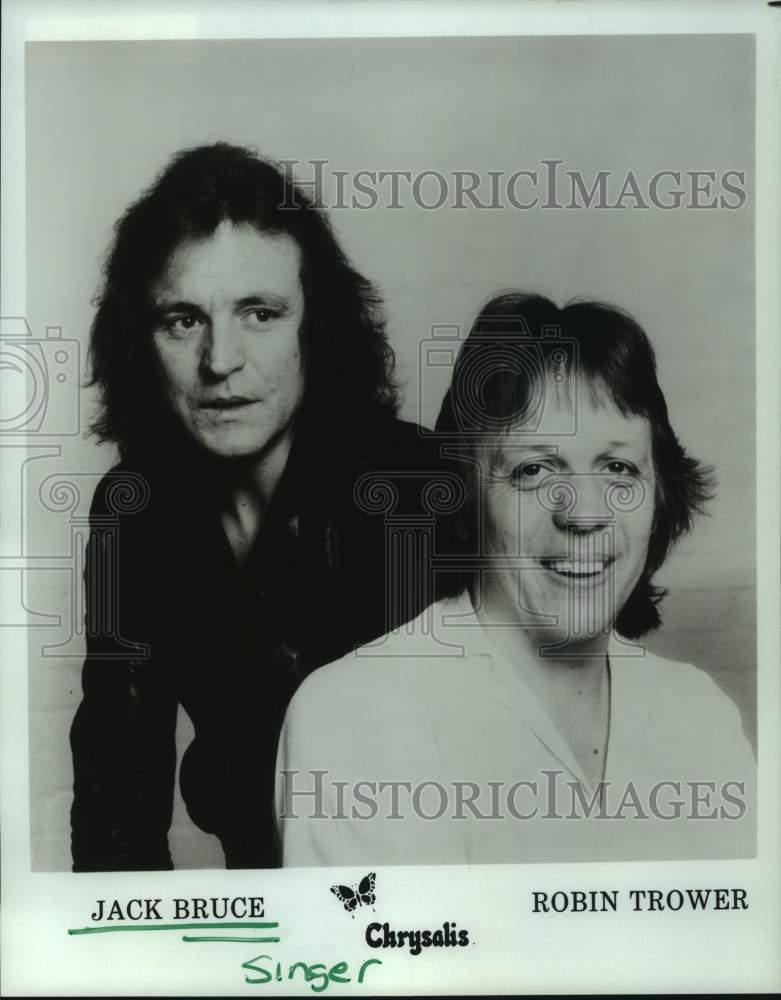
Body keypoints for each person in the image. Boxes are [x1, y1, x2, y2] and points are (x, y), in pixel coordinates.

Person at [70, 142, 452, 871]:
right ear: (138, 342)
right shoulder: (135, 509)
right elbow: (118, 788)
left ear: (317, 328)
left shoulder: (421, 491)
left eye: (259, 313)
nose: (219, 361)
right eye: (182, 320)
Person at [275, 293, 756, 865]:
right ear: (459, 497)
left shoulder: (702, 717)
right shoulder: (357, 712)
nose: (583, 513)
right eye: (533, 469)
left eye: (619, 468)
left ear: (662, 494)